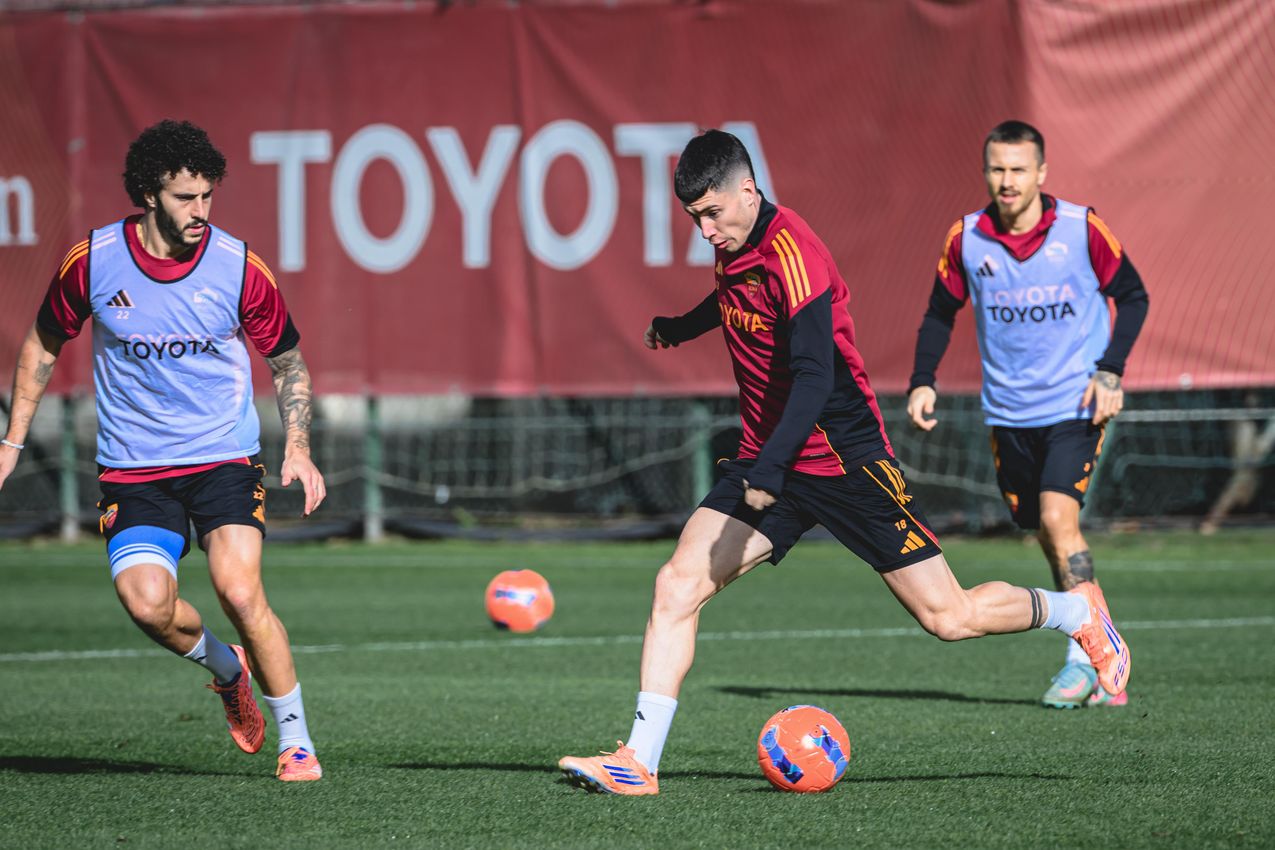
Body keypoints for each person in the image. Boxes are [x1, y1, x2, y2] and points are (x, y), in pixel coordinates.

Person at [557, 129, 1130, 796]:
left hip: (841, 459)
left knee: (949, 618)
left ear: (748, 190)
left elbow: (811, 375)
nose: (705, 230)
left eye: (712, 213)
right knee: (676, 586)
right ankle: (639, 760)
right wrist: (685, 327)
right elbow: (739, 300)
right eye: (694, 219)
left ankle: (1077, 615)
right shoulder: (736, 244)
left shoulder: (792, 251)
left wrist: (771, 469)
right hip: (769, 459)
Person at [0, 120, 326, 781]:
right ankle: (226, 669)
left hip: (223, 460)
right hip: (134, 471)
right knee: (146, 602)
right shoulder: (92, 260)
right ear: (148, 194)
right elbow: (40, 346)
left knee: (239, 588)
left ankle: (297, 742)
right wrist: (11, 442)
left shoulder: (238, 266)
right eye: (185, 198)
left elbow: (288, 362)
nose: (201, 212)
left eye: (208, 196)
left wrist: (299, 445)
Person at [906, 120, 1149, 709]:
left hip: (1075, 404)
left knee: (1058, 519)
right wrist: (922, 381)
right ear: (985, 171)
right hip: (1009, 414)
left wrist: (1109, 371)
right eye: (997, 168)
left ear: (1041, 172)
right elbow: (941, 312)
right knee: (1040, 526)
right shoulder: (967, 238)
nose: (1007, 180)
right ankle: (1094, 634)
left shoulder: (1080, 228)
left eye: (1019, 169)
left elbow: (1134, 295)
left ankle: (1087, 657)